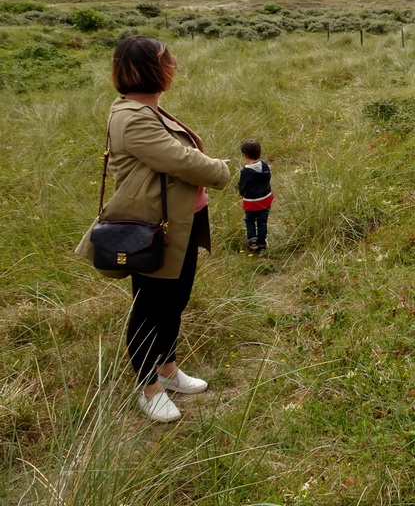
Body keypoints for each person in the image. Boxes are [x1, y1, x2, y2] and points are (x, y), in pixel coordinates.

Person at [77, 35, 230, 422]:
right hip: (154, 228)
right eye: (167, 58)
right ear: (149, 68)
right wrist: (219, 168)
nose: (174, 62)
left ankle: (168, 370)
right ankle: (149, 388)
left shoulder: (146, 111)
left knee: (173, 301)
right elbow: (180, 160)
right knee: (151, 306)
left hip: (179, 221)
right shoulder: (132, 117)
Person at [238, 138, 274, 253]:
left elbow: (242, 187)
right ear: (260, 153)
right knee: (262, 222)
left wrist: (242, 193)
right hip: (266, 199)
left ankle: (253, 242)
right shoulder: (265, 165)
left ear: (244, 156)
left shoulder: (245, 172)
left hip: (251, 202)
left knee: (250, 220)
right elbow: (269, 178)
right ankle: (262, 244)